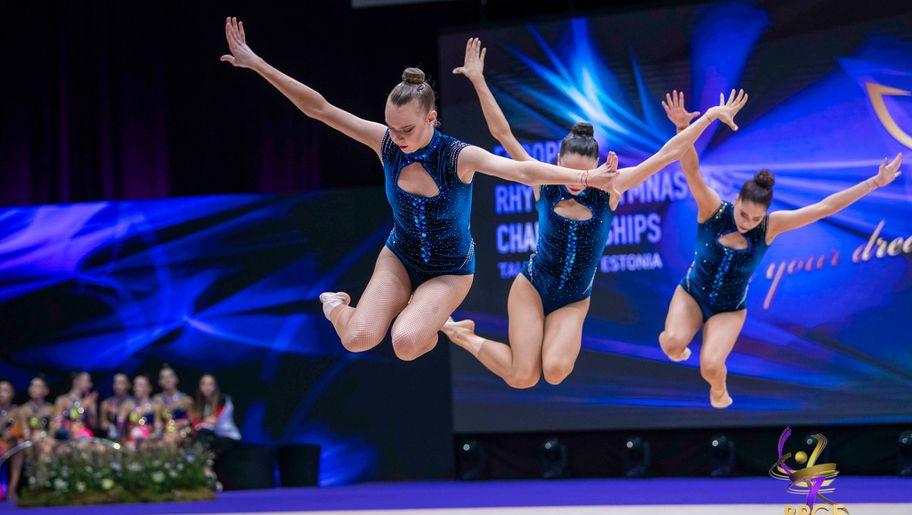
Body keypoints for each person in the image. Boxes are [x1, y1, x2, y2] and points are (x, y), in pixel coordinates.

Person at [221, 17, 619, 363]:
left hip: (450, 271)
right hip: (400, 256)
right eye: (392, 127)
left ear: (431, 117)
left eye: (407, 129)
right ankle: (336, 305)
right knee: (358, 338)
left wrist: (585, 179)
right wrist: (256, 63)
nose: (398, 137)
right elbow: (320, 108)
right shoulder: (386, 144)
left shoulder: (458, 156)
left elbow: (522, 170)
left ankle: (433, 322)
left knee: (406, 343)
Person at [443, 39, 747, 387]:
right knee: (522, 376)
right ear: (558, 162)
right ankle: (463, 335)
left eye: (583, 173)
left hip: (573, 298)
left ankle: (474, 336)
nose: (577, 182)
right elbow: (502, 133)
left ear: (596, 166)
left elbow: (666, 154)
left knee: (555, 372)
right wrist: (478, 80)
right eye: (569, 172)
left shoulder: (609, 189)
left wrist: (709, 116)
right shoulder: (543, 181)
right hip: (532, 286)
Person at [660, 90, 904, 407]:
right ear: (736, 200)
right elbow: (692, 170)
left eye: (755, 218)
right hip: (692, 293)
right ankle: (679, 347)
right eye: (743, 214)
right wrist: (682, 128)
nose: (747, 223)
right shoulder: (712, 209)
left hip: (729, 309)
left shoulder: (770, 226)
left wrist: (874, 183)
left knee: (710, 367)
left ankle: (719, 388)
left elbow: (824, 208)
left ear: (764, 214)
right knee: (672, 344)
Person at [192, 374, 241, 450]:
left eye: (210, 384)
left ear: (215, 386)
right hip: (215, 436)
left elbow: (212, 421)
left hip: (228, 436)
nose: (207, 387)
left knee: (203, 436)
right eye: (203, 384)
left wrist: (198, 421)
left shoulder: (222, 400)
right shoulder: (202, 403)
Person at [53, 371, 97, 439]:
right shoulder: (62, 400)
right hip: (65, 439)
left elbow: (93, 425)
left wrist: (92, 408)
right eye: (87, 381)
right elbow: (56, 424)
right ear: (76, 381)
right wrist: (82, 407)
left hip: (83, 438)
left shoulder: (88, 401)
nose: (90, 385)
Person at [153, 365, 192, 440]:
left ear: (176, 379)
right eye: (163, 378)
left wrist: (184, 424)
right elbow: (157, 421)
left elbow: (192, 421)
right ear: (160, 382)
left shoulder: (186, 400)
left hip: (182, 434)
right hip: (164, 435)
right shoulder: (157, 400)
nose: (167, 380)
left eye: (170, 376)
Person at [124, 375, 158, 443]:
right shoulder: (128, 405)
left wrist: (152, 436)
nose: (136, 388)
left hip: (150, 441)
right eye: (135, 385)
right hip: (131, 441)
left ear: (149, 388)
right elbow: (121, 426)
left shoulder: (155, 406)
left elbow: (159, 427)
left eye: (140, 385)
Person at [99, 373, 134, 440]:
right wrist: (110, 426)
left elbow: (137, 422)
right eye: (116, 383)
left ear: (128, 385)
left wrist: (119, 413)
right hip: (113, 439)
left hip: (129, 438)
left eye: (121, 383)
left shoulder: (133, 403)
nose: (118, 386)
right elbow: (102, 424)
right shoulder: (107, 403)